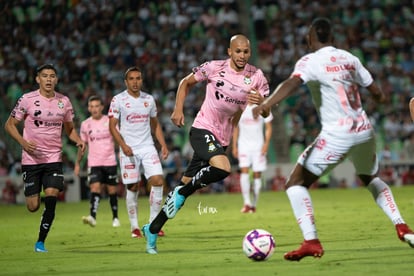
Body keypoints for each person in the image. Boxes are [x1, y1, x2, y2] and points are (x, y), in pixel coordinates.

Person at [253, 17, 414, 261]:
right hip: (364, 130)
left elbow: (291, 83)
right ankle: (402, 226)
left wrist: (267, 103)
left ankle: (311, 241)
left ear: (309, 40)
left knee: (295, 182)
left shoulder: (310, 61)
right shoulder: (350, 58)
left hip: (338, 134)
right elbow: (378, 94)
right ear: (333, 38)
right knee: (371, 177)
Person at [141, 34, 270, 254]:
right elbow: (185, 83)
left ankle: (152, 229)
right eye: (238, 51)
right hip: (202, 129)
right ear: (229, 51)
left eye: (246, 51)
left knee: (182, 189)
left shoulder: (256, 76)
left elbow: (266, 111)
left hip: (222, 138)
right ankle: (183, 193)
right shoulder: (213, 67)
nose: (242, 55)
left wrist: (262, 104)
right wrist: (178, 108)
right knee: (223, 167)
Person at [4, 64, 86, 252]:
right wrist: (22, 143)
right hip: (31, 160)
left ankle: (40, 242)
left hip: (53, 159)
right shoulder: (27, 99)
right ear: (37, 79)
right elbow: (9, 125)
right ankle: (37, 196)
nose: (49, 79)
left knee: (52, 198)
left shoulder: (63, 101)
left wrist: (78, 140)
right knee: (33, 206)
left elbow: (70, 129)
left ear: (56, 80)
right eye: (45, 76)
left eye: (52, 76)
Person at [108, 66, 169, 238]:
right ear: (126, 82)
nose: (135, 82)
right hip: (128, 148)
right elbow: (112, 126)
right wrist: (123, 145)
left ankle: (153, 224)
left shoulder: (149, 99)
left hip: (148, 146)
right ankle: (134, 227)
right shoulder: (118, 99)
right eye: (132, 79)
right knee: (133, 186)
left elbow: (155, 124)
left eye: (138, 78)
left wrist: (163, 145)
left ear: (142, 80)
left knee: (158, 180)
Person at [74, 95, 120, 228]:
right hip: (94, 162)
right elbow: (82, 146)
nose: (94, 109)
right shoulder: (85, 124)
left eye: (97, 106)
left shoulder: (110, 121)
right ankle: (93, 217)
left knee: (112, 190)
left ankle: (115, 217)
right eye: (92, 106)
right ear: (89, 108)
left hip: (110, 161)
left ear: (102, 107)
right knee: (95, 187)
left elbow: (119, 139)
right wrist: (77, 163)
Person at [232, 101, 273, 213]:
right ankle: (246, 203)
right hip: (243, 146)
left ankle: (254, 204)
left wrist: (266, 144)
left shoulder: (263, 107)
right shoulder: (239, 107)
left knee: (256, 174)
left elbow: (269, 127)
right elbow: (235, 127)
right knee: (244, 171)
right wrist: (234, 146)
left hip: (258, 147)